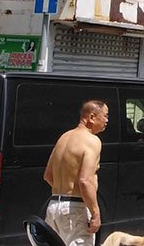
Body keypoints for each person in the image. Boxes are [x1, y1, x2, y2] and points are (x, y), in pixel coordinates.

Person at [43, 99, 109, 246]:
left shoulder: (63, 138)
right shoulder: (92, 141)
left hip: (54, 206)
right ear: (91, 117)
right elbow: (85, 181)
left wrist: (66, 191)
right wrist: (95, 213)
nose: (107, 120)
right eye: (105, 115)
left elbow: (47, 175)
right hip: (75, 209)